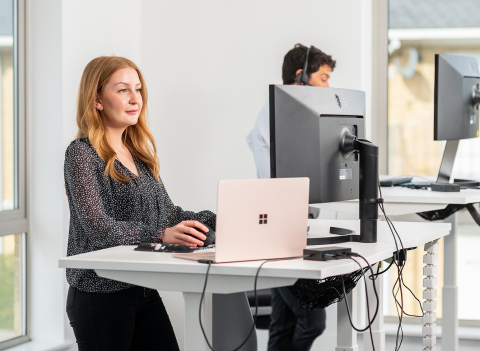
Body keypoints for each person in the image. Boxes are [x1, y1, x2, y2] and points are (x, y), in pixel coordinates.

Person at [64, 56, 216, 351]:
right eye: (123, 90)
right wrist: (159, 235)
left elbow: (169, 214)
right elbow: (98, 227)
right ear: (97, 99)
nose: (136, 99)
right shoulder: (82, 153)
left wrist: (218, 218)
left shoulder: (138, 153)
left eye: (139, 89)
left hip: (142, 287)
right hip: (99, 291)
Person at [246, 44, 336, 351]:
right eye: (323, 78)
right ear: (301, 78)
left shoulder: (295, 117)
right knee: (312, 319)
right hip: (275, 230)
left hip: (293, 226)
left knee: (282, 324)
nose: (328, 87)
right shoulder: (277, 115)